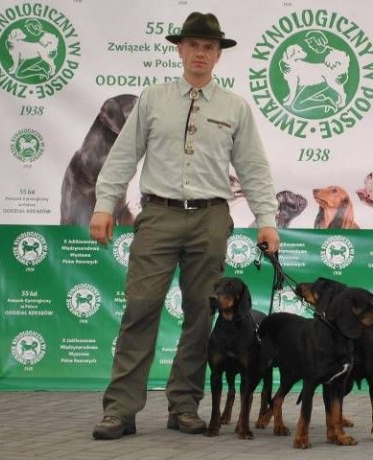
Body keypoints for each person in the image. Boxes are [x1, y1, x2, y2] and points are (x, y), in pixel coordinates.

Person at [90, 12, 280, 440]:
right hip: (158, 214)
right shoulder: (153, 98)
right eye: (193, 44)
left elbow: (253, 168)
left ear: (218, 55)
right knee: (140, 308)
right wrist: (104, 205)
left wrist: (266, 220)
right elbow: (123, 156)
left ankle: (185, 405)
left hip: (212, 217)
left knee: (202, 314)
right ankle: (120, 409)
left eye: (209, 47)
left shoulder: (235, 107)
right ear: (179, 49)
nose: (200, 53)